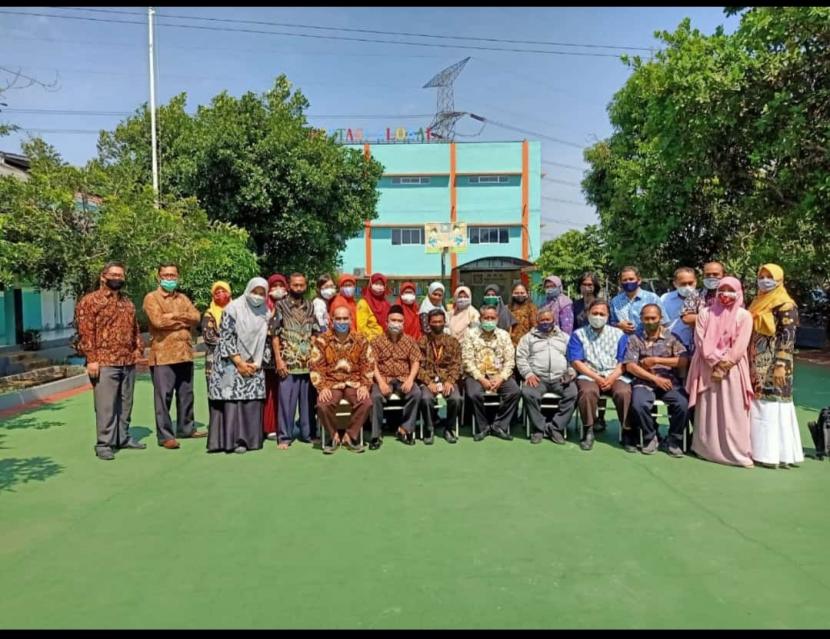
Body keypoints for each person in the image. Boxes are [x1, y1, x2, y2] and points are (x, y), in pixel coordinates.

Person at [75, 261, 146, 461]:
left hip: (127, 361)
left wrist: (137, 350)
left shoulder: (127, 303)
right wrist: (92, 360)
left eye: (121, 275)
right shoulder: (90, 301)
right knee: (105, 405)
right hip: (104, 362)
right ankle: (104, 443)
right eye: (114, 274)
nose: (117, 278)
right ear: (103, 276)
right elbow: (86, 332)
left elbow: (135, 330)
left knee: (126, 402)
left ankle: (123, 437)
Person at [685, 277, 754, 468]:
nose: (725, 294)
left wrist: (724, 365)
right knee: (707, 409)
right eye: (721, 289)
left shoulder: (744, 316)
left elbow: (740, 345)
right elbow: (701, 341)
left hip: (731, 370)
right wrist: (714, 361)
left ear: (739, 292)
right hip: (706, 368)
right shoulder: (705, 313)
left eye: (730, 289)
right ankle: (705, 448)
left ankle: (737, 453)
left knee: (734, 410)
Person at [747, 264, 804, 469]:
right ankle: (760, 451)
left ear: (780, 279)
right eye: (761, 276)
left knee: (774, 405)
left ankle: (775, 454)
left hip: (775, 362)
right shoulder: (758, 301)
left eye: (769, 276)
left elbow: (788, 337)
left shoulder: (786, 304)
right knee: (759, 404)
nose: (764, 280)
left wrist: (781, 363)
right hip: (756, 361)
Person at [143, 262, 204, 449]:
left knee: (186, 394)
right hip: (162, 355)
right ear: (159, 277)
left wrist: (173, 317)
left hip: (185, 354)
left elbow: (196, 317)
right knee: (164, 397)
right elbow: (158, 321)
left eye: (173, 275)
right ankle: (165, 435)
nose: (170, 278)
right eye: (166, 275)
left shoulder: (183, 298)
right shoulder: (152, 298)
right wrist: (182, 320)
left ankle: (186, 428)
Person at [206, 277, 269, 454]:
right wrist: (239, 362)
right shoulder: (233, 309)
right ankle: (231, 441)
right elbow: (226, 336)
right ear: (248, 290)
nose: (257, 296)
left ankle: (250, 440)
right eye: (254, 292)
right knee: (232, 399)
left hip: (254, 363)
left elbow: (266, 340)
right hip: (230, 362)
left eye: (261, 293)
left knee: (250, 399)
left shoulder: (265, 312)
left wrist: (258, 363)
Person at [624, 304, 690, 457]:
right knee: (638, 404)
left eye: (653, 318)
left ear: (660, 318)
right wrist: (654, 378)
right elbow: (630, 366)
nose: (650, 321)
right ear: (641, 319)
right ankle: (650, 437)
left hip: (669, 381)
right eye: (646, 318)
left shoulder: (672, 338)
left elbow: (683, 360)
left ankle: (673, 440)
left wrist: (656, 360)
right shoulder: (635, 339)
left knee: (682, 404)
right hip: (644, 381)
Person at [566, 299, 632, 451]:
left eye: (602, 314)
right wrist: (597, 378)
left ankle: (627, 431)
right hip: (589, 374)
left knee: (624, 392)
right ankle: (588, 429)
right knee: (587, 392)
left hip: (614, 374)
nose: (598, 317)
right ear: (588, 314)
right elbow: (577, 362)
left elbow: (624, 362)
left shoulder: (619, 334)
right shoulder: (579, 334)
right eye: (594, 313)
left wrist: (611, 378)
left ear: (608, 316)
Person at [309, 300, 372, 455]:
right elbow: (316, 365)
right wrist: (322, 387)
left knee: (366, 402)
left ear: (351, 319)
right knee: (323, 405)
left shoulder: (361, 339)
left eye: (345, 318)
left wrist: (365, 385)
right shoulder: (322, 340)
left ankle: (350, 436)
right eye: (338, 319)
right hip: (331, 383)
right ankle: (333, 436)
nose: (342, 322)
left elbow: (368, 364)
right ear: (332, 320)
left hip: (354, 382)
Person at [517, 308, 578, 445]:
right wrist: (528, 374)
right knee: (528, 393)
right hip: (538, 378)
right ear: (537, 321)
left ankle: (555, 428)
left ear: (553, 320)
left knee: (573, 393)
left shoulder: (564, 337)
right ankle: (539, 429)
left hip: (560, 378)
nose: (545, 322)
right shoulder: (528, 338)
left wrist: (570, 372)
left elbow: (573, 358)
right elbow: (521, 358)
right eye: (542, 320)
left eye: (548, 320)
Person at [272, 273, 319, 450]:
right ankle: (284, 436)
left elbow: (315, 332)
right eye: (295, 285)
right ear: (289, 286)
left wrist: (314, 357)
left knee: (308, 402)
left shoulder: (310, 306)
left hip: (307, 363)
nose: (298, 288)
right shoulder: (280, 306)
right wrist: (278, 360)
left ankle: (308, 434)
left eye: (301, 285)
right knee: (286, 402)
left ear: (305, 286)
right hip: (288, 363)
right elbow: (274, 335)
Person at [462, 305, 521, 441]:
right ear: (480, 318)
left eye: (492, 318)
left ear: (497, 319)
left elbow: (510, 360)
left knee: (514, 392)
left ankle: (499, 425)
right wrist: (482, 379)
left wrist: (501, 378)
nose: (489, 320)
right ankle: (483, 427)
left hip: (498, 374)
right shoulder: (470, 334)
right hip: (476, 375)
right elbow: (467, 361)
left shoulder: (504, 335)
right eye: (486, 318)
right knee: (474, 393)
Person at [370, 305, 422, 449]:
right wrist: (380, 382)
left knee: (416, 393)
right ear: (386, 322)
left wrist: (411, 379)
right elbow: (372, 363)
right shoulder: (377, 341)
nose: (396, 323)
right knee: (375, 397)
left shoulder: (410, 341)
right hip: (383, 378)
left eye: (399, 321)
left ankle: (405, 429)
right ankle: (376, 434)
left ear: (403, 323)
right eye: (393, 320)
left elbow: (415, 361)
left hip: (403, 378)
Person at [417, 308, 463, 444]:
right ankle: (429, 428)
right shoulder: (422, 342)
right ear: (429, 323)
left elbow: (457, 365)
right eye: (434, 322)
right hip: (429, 379)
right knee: (425, 399)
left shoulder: (453, 342)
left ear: (444, 323)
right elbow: (417, 366)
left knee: (456, 399)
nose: (437, 324)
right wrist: (428, 382)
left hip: (447, 379)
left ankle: (449, 429)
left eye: (440, 321)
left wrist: (450, 381)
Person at [262, 274, 288, 441]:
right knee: (269, 391)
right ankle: (269, 426)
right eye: (274, 286)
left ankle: (284, 425)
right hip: (267, 356)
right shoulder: (263, 306)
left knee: (283, 391)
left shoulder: (290, 305)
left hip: (287, 354)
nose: (278, 289)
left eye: (281, 285)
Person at [610, 266, 667, 335]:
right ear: (620, 282)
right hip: (623, 341)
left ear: (639, 280)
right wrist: (619, 325)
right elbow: (610, 323)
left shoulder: (652, 298)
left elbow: (663, 323)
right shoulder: (615, 301)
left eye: (631, 279)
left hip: (647, 341)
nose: (628, 282)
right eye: (625, 280)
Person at [201, 281, 232, 387]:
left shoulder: (237, 311)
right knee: (214, 390)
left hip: (235, 361)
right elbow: (208, 336)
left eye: (223, 291)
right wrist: (230, 344)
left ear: (229, 293)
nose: (220, 294)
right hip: (214, 358)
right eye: (217, 292)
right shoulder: (209, 313)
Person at [680, 261, 726, 331]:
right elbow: (686, 318)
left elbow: (737, 317)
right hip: (701, 339)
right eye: (707, 275)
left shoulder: (730, 295)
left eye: (715, 274)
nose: (711, 277)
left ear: (724, 275)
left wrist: (698, 318)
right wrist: (716, 317)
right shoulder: (694, 294)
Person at [661, 267, 698, 350]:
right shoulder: (665, 299)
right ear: (675, 283)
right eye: (683, 284)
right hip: (671, 345)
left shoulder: (702, 299)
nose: (687, 287)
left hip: (696, 345)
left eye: (690, 283)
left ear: (695, 282)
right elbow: (661, 323)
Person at [357, 272, 390, 342]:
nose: (379, 287)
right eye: (376, 284)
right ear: (370, 285)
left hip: (386, 341)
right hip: (371, 342)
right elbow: (361, 328)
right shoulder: (363, 303)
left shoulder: (386, 304)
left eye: (381, 284)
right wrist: (374, 338)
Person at [508, 282, 538, 347]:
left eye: (522, 293)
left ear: (527, 294)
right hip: (510, 344)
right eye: (516, 293)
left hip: (527, 344)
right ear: (512, 294)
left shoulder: (532, 308)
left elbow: (535, 328)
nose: (519, 295)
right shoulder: (508, 309)